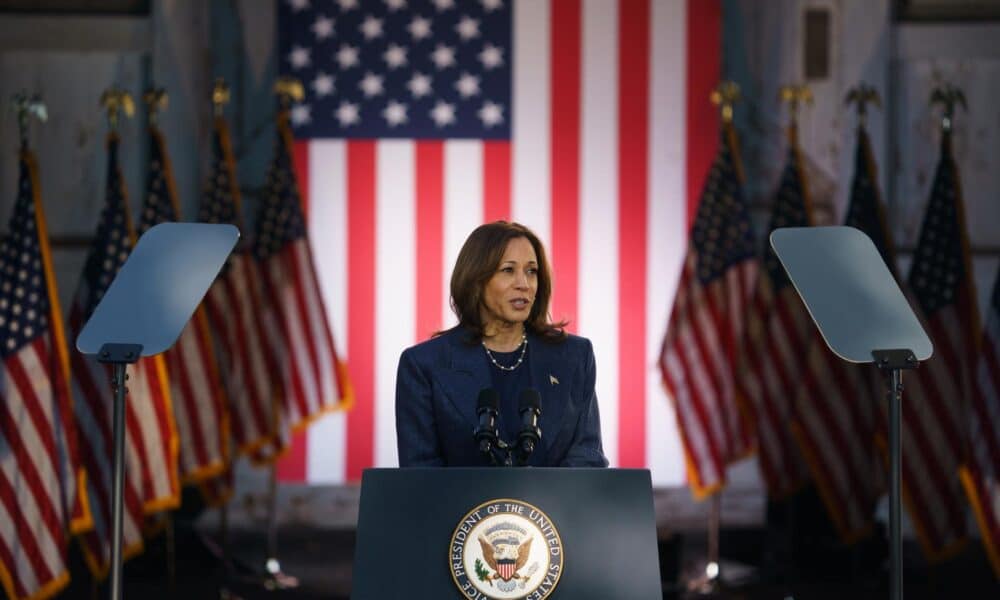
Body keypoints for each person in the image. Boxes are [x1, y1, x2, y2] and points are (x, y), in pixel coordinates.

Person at [395, 221, 608, 467]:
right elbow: (420, 473)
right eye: (508, 270)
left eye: (531, 271)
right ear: (476, 280)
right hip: (459, 506)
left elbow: (587, 454)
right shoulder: (424, 365)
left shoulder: (574, 357)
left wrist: (538, 503)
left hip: (556, 506)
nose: (524, 284)